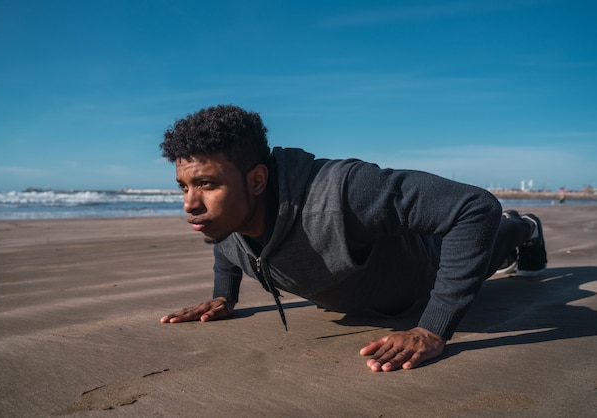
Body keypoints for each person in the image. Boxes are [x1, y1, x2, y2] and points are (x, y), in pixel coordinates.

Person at [158, 104, 547, 372]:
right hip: (367, 292)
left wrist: (433, 327)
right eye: (183, 187)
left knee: (494, 239)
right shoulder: (226, 214)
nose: (190, 204)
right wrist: (225, 294)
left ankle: (525, 226)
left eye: (206, 184)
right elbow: (230, 241)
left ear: (258, 179)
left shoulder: (347, 192)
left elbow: (474, 207)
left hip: (424, 268)